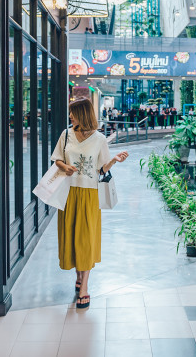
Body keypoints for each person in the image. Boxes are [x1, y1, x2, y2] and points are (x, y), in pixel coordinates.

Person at [51, 98, 129, 309]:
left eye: (73, 113)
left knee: (86, 238)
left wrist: (114, 160)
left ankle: (84, 286)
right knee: (71, 236)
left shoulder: (99, 139)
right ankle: (78, 275)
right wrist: (65, 167)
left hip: (89, 193)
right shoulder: (66, 134)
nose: (70, 116)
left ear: (82, 114)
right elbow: (57, 159)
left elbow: (101, 169)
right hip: (68, 192)